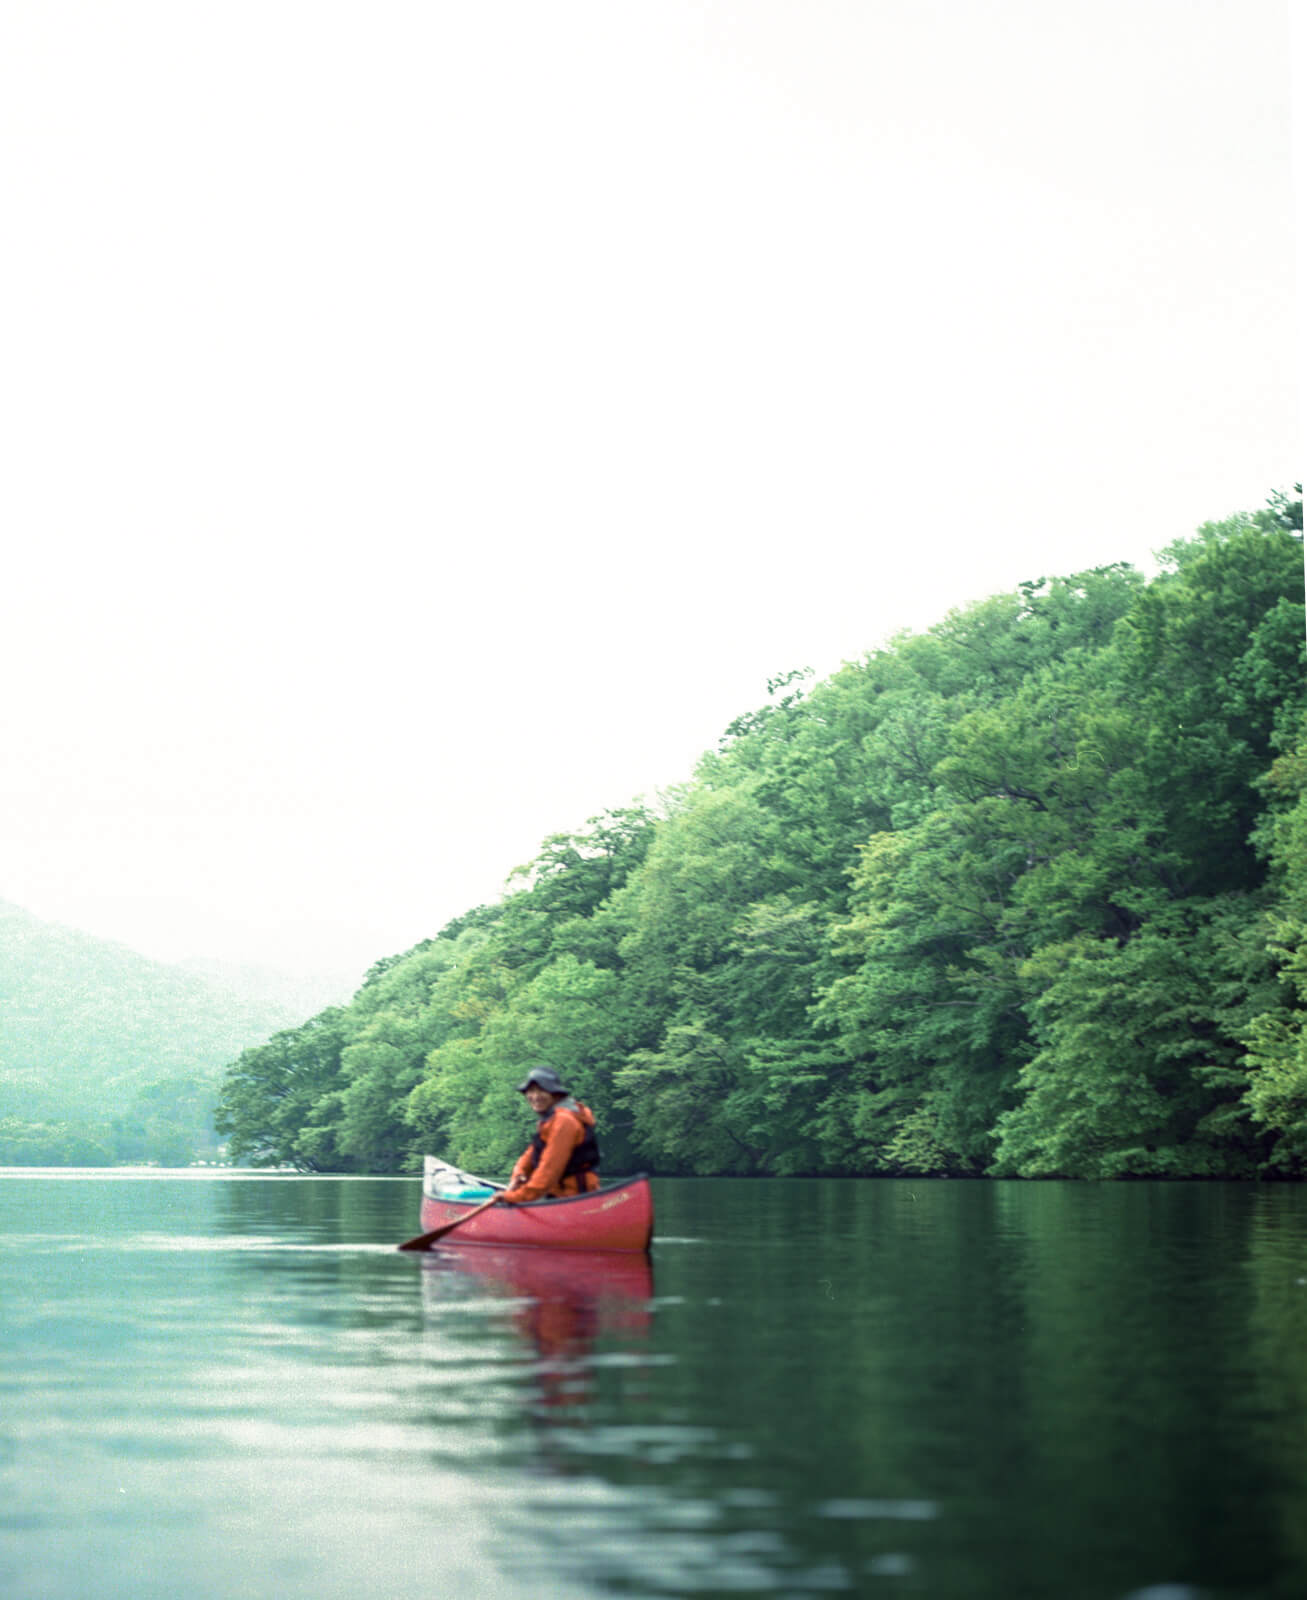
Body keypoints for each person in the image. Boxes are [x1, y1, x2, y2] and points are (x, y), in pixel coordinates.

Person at [498, 1065, 601, 1203]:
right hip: (560, 1196)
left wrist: (515, 1197)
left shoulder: (564, 1121)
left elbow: (549, 1171)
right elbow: (531, 1153)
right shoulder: (550, 1120)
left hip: (575, 1197)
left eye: (541, 1091)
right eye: (531, 1091)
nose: (535, 1097)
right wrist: (519, 1173)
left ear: (555, 1094)